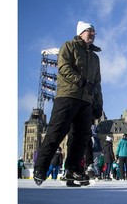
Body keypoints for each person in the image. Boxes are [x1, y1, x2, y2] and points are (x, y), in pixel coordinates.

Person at [33, 21, 103, 187]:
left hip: (86, 100)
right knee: (56, 132)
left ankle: (73, 170)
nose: (92, 34)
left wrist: (98, 103)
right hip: (67, 96)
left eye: (94, 32)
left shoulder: (95, 57)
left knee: (80, 137)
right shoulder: (69, 46)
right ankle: (40, 168)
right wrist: (81, 82)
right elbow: (63, 67)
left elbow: (97, 82)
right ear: (81, 33)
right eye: (89, 31)